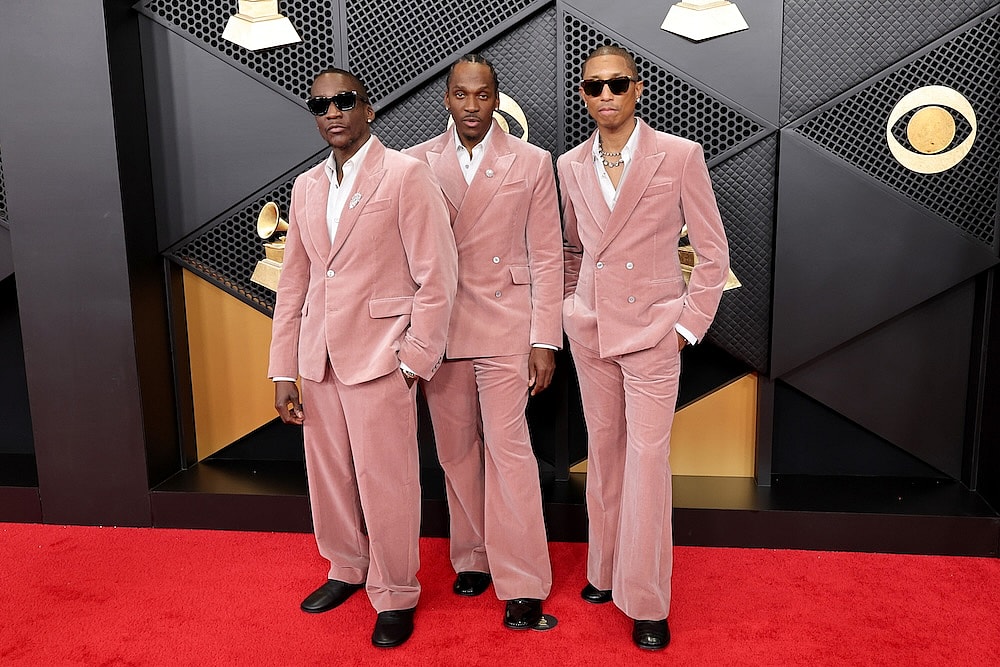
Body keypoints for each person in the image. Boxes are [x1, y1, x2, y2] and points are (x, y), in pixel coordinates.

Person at [268, 67, 458, 649]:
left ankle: (397, 592)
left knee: (388, 482)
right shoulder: (305, 188)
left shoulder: (407, 175)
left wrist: (413, 360)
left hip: (382, 358)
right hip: (318, 359)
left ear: (368, 109)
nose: (332, 111)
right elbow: (294, 283)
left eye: (343, 100)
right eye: (319, 103)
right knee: (328, 479)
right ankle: (347, 567)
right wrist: (282, 368)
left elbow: (438, 277)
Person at [558, 45, 730, 651]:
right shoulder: (569, 163)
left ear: (638, 89)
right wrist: (569, 308)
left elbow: (713, 252)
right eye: (593, 86)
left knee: (647, 463)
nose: (604, 95)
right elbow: (573, 249)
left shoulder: (680, 155)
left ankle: (648, 598)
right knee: (604, 454)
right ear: (584, 94)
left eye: (616, 84)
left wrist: (687, 325)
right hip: (592, 332)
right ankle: (605, 571)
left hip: (655, 332)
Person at [403, 54, 563, 629]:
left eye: (483, 94)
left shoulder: (531, 161)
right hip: (441, 330)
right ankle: (472, 556)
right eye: (461, 95)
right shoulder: (416, 163)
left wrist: (545, 338)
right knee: (455, 451)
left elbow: (547, 255)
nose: (472, 105)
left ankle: (522, 580)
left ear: (498, 98)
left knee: (509, 449)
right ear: (446, 98)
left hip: (505, 325)